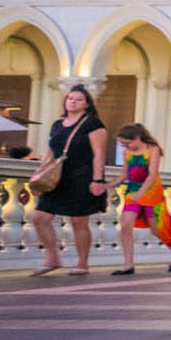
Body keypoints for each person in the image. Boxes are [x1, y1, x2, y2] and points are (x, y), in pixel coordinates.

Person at [30, 82, 109, 276]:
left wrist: (97, 180)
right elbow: (51, 151)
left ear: (87, 104)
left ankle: (82, 263)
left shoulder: (93, 124)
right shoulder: (57, 124)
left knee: (78, 221)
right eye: (70, 98)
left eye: (78, 99)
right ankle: (52, 258)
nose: (73, 102)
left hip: (81, 176)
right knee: (40, 217)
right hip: (56, 178)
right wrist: (38, 174)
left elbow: (99, 154)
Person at [111, 123, 171, 274]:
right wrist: (107, 186)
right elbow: (124, 174)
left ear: (137, 138)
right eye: (122, 144)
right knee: (125, 226)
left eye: (127, 143)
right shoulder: (127, 152)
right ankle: (128, 264)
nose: (125, 146)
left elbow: (152, 174)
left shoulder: (152, 150)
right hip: (132, 190)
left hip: (151, 192)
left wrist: (141, 193)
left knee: (156, 229)